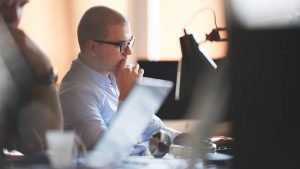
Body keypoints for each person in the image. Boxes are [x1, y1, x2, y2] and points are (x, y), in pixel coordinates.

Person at [59, 6, 180, 155]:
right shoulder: (75, 93)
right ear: (92, 48)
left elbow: (154, 129)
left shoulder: (114, 76)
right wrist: (127, 98)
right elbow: (108, 152)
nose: (129, 52)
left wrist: (195, 141)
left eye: (129, 42)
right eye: (122, 45)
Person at [0, 0, 63, 157]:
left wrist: (44, 69)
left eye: (21, 5)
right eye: (3, 5)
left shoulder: (12, 62)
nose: (15, 16)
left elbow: (47, 139)